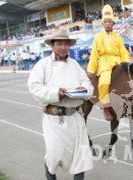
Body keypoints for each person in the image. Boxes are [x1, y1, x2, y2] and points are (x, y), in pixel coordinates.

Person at [28, 29, 93, 180]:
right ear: (52, 45)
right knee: (54, 153)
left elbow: (87, 84)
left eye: (66, 44)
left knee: (80, 154)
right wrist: (57, 93)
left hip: (75, 117)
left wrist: (84, 90)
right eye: (59, 44)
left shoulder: (75, 65)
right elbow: (34, 86)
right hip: (54, 118)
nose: (63, 47)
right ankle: (50, 174)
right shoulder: (42, 65)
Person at [87, 4, 130, 121]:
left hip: (117, 62)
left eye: (109, 22)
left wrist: (126, 63)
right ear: (102, 24)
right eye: (105, 22)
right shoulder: (98, 37)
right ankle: (106, 106)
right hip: (104, 64)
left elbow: (123, 51)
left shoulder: (118, 37)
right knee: (104, 82)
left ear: (113, 24)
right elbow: (94, 54)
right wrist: (91, 69)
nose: (107, 24)